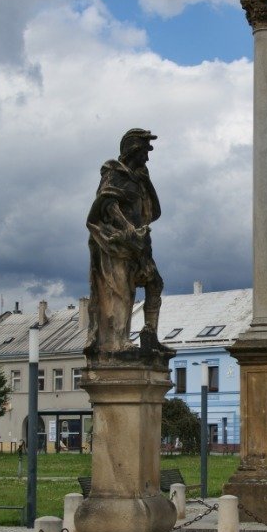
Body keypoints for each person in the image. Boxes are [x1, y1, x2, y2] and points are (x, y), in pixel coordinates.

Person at [84, 129, 168, 361]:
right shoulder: (113, 172)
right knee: (122, 290)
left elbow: (155, 212)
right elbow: (107, 204)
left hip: (139, 244)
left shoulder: (139, 177)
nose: (147, 158)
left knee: (155, 284)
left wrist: (146, 182)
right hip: (116, 242)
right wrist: (128, 229)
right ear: (133, 150)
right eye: (144, 152)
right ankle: (118, 342)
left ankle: (150, 336)